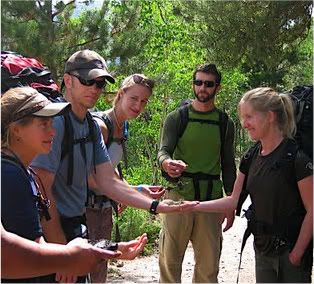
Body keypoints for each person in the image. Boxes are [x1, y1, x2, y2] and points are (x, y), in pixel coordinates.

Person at [31, 50, 197, 282]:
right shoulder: (56, 123)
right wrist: (62, 254)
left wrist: (156, 206)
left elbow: (107, 180)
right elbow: (43, 194)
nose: (94, 88)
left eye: (100, 83)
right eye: (87, 80)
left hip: (76, 226)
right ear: (67, 80)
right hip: (52, 232)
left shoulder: (88, 124)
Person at [195, 87, 313, 283]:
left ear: (270, 116)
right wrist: (193, 205)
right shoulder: (251, 156)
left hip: (291, 252)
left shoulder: (296, 158)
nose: (244, 124)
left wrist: (297, 253)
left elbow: (312, 209)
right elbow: (233, 201)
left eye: (249, 117)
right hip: (262, 251)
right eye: (242, 117)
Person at [157, 63, 237, 282]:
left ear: (217, 88)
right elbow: (163, 151)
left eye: (208, 84)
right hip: (178, 196)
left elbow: (228, 165)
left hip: (211, 200)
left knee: (209, 265)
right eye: (198, 82)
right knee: (169, 261)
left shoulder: (225, 123)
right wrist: (167, 163)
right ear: (193, 84)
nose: (202, 88)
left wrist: (231, 202)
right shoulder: (177, 118)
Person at [86, 73, 165, 283]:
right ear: (120, 94)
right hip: (86, 210)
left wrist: (132, 188)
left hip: (103, 209)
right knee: (86, 268)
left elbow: (110, 168)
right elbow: (92, 178)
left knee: (99, 270)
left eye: (144, 101)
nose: (139, 106)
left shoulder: (123, 127)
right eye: (134, 98)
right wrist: (133, 193)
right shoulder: (101, 127)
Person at [1, 86, 70, 283]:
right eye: (43, 124)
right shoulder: (9, 176)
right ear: (16, 130)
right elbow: (29, 250)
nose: (53, 132)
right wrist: (74, 257)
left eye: (52, 123)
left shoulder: (21, 170)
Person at [1, 224, 148, 279]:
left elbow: (38, 244)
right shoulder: (12, 174)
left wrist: (114, 247)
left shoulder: (23, 173)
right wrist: (67, 259)